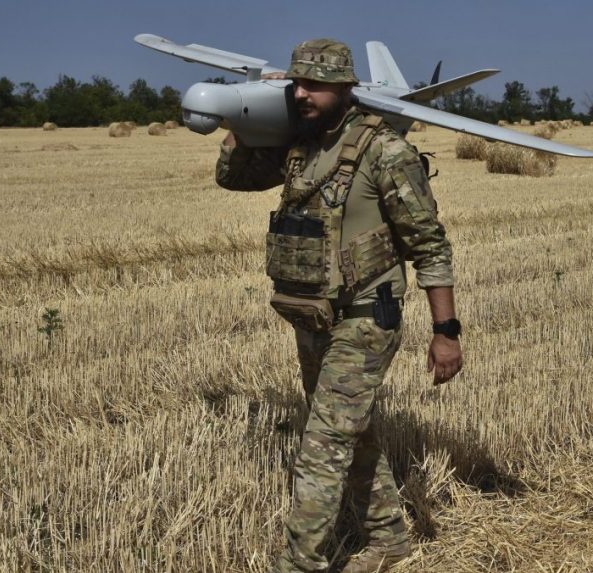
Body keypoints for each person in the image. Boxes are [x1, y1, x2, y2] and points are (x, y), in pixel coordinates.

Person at [215, 38, 463, 573]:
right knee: (353, 431)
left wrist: (446, 330)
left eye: (315, 85)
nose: (301, 93)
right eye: (296, 82)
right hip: (314, 312)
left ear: (345, 88)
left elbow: (430, 246)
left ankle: (297, 563)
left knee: (322, 445)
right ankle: (389, 539)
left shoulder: (385, 152)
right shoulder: (301, 145)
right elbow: (232, 177)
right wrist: (237, 117)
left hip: (369, 315)